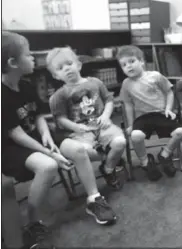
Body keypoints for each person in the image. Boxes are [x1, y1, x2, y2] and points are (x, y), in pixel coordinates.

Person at [1, 31, 59, 248]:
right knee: (48, 165)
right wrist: (48, 152)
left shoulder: (26, 85)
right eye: (28, 54)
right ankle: (31, 221)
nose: (34, 57)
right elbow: (15, 134)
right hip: (10, 147)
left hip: (32, 135)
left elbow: (38, 115)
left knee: (68, 149)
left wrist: (45, 134)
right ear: (12, 62)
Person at [47, 47, 126, 194]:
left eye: (69, 63)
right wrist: (76, 127)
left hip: (102, 126)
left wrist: (106, 116)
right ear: (55, 75)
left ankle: (108, 169)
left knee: (120, 142)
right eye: (60, 68)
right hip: (80, 132)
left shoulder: (95, 82)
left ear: (78, 65)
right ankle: (108, 157)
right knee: (84, 152)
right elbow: (60, 118)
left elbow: (109, 100)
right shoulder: (60, 94)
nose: (67, 69)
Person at [117, 45, 182, 181]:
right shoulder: (126, 84)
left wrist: (168, 109)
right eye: (124, 65)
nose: (128, 66)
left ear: (141, 61)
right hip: (143, 117)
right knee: (135, 135)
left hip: (160, 114)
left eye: (131, 61)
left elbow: (169, 92)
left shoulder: (155, 76)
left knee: (180, 132)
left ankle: (165, 154)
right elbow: (128, 105)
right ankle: (145, 162)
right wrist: (130, 124)